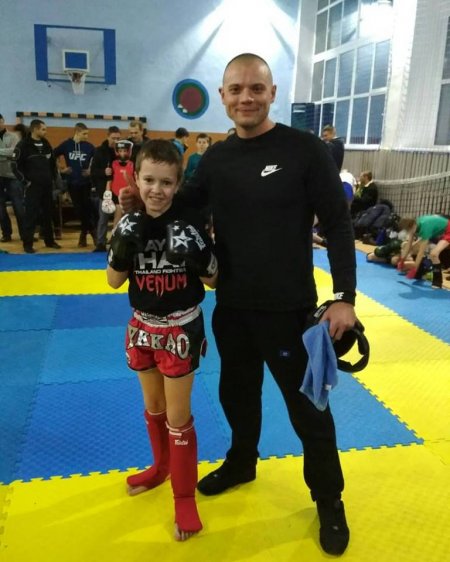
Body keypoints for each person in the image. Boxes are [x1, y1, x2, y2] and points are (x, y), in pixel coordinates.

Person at [120, 53, 357, 556]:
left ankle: (328, 499)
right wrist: (136, 205)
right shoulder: (216, 160)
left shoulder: (304, 150)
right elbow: (177, 205)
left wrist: (343, 298)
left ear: (272, 94)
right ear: (223, 97)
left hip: (289, 310)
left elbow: (338, 223)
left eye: (256, 88)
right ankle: (242, 462)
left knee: (309, 411)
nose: (246, 97)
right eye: (236, 89)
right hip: (231, 306)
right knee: (237, 395)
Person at [107, 139, 217, 542]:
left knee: (177, 416)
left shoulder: (190, 220)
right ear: (136, 178)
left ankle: (184, 497)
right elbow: (114, 280)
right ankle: (161, 468)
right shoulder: (129, 221)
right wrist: (121, 245)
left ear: (177, 183)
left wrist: (198, 252)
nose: (157, 190)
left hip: (180, 327)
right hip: (142, 327)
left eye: (166, 182)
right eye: (149, 180)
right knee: (153, 408)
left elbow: (213, 279)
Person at [12, 119, 61, 253]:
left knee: (48, 214)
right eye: (43, 129)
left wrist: (53, 178)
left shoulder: (46, 144)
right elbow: (14, 166)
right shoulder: (23, 145)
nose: (46, 132)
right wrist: (25, 182)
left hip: (47, 186)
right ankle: (28, 244)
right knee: (31, 215)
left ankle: (49, 241)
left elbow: (52, 164)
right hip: (32, 186)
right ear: (35, 129)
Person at [54, 123, 96, 247]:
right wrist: (61, 169)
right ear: (77, 132)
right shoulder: (67, 145)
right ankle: (90, 231)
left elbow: (98, 160)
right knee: (78, 210)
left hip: (86, 183)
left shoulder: (89, 147)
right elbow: (53, 155)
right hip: (72, 182)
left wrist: (91, 170)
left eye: (87, 134)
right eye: (84, 134)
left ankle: (85, 235)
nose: (87, 136)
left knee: (86, 208)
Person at [397, 215, 450, 289]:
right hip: (439, 232)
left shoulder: (425, 228)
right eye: (408, 231)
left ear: (414, 225)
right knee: (414, 247)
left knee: (434, 254)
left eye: (410, 230)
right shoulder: (413, 225)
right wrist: (402, 260)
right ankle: (421, 270)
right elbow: (409, 246)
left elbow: (420, 253)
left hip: (448, 230)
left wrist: (414, 269)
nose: (410, 232)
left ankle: (437, 281)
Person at [90, 126, 121, 251]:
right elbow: (93, 172)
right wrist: (104, 171)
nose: (116, 141)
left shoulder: (122, 151)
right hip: (105, 190)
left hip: (119, 189)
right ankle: (100, 243)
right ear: (108, 136)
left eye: (118, 138)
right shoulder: (99, 151)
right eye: (113, 138)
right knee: (103, 218)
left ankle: (117, 242)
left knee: (119, 219)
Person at [0, 114, 26, 242]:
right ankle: (6, 234)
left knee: (18, 207)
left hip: (13, 176)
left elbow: (14, 152)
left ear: (3, 121)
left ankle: (25, 234)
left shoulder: (14, 136)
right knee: (0, 209)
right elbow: (9, 153)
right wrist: (6, 154)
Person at [106, 139, 134, 228]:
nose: (122, 153)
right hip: (116, 193)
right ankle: (115, 234)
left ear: (129, 151)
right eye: (120, 151)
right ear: (117, 152)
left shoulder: (132, 164)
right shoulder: (113, 164)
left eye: (125, 151)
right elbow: (109, 179)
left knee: (128, 218)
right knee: (117, 216)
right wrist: (107, 194)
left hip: (129, 194)